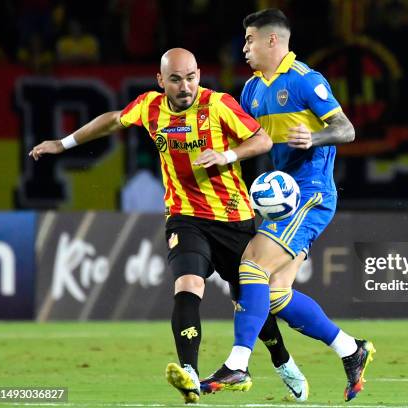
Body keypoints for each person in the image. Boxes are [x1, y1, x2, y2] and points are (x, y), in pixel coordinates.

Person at [28, 47, 307, 404]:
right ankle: (189, 373)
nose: (185, 86)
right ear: (161, 81)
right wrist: (61, 143)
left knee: (250, 300)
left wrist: (227, 155)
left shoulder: (218, 104)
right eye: (175, 79)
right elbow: (114, 119)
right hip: (185, 217)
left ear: (199, 75)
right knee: (188, 283)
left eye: (190, 77)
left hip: (233, 219)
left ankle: (283, 362)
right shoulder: (149, 107)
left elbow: (262, 139)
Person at [200, 9, 375, 402]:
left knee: (251, 266)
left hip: (311, 194)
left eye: (249, 40)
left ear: (272, 41)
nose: (243, 48)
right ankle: (352, 349)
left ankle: (237, 364)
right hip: (282, 196)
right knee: (276, 293)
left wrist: (312, 138)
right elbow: (252, 144)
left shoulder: (305, 81)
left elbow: (346, 129)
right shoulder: (251, 90)